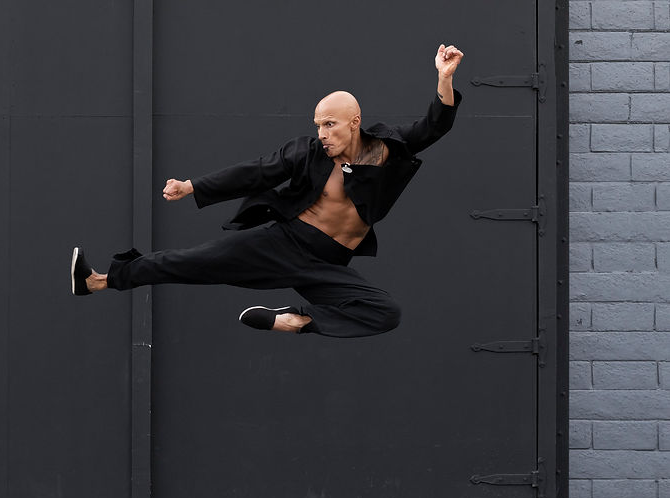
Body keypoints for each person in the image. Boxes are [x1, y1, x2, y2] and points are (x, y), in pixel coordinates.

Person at [71, 44, 464, 338]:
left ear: (354, 122)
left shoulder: (386, 148)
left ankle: (296, 320)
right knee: (189, 261)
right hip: (284, 243)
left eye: (329, 125)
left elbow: (435, 126)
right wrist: (192, 186)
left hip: (327, 265)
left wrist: (444, 79)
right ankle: (99, 280)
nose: (321, 134)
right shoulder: (308, 153)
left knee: (386, 312)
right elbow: (256, 172)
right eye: (317, 126)